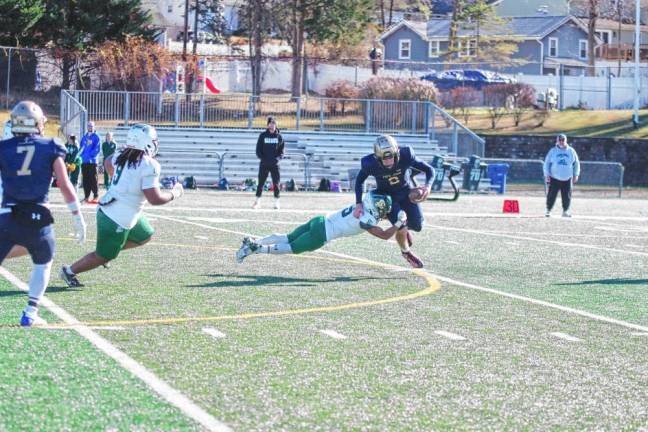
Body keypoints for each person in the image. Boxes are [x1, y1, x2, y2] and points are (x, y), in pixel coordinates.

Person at [60, 123, 184, 287]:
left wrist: (120, 183)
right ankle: (69, 271)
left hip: (119, 210)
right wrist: (175, 193)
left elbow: (108, 162)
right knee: (102, 256)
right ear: (146, 142)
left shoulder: (121, 154)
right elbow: (154, 199)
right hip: (116, 218)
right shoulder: (149, 164)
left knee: (145, 235)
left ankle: (110, 250)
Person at [0, 101, 86, 327]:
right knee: (43, 263)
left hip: (7, 215)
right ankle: (30, 311)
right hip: (39, 217)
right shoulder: (50, 146)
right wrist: (77, 217)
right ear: (38, 124)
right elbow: (65, 185)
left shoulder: (4, 147)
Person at [236, 191, 406, 262]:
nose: (385, 215)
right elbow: (384, 235)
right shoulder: (367, 218)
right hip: (323, 234)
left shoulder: (362, 204)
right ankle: (256, 248)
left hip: (320, 220)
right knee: (291, 247)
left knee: (287, 237)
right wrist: (399, 223)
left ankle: (255, 241)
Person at [353, 134, 434, 268]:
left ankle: (400, 224)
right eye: (384, 158)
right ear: (377, 157)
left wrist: (428, 186)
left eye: (391, 157)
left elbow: (429, 169)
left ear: (397, 152)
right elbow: (359, 181)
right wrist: (358, 203)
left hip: (406, 193)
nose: (389, 161)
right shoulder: (370, 163)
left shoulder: (406, 155)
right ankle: (406, 252)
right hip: (387, 198)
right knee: (400, 227)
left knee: (418, 226)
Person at [544, 133, 580, 218]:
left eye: (563, 140)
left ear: (566, 140)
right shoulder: (553, 151)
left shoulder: (571, 151)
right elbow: (546, 164)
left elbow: (576, 163)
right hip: (554, 178)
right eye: (559, 140)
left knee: (567, 196)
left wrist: (576, 174)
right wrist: (547, 174)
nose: (561, 141)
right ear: (557, 141)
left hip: (567, 178)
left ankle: (565, 211)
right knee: (551, 195)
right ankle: (548, 210)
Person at [253, 116, 284, 210]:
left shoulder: (279, 136)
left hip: (275, 165)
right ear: (268, 125)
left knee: (276, 184)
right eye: (271, 123)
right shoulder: (262, 136)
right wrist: (263, 159)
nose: (273, 125)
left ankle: (276, 202)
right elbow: (258, 150)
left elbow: (282, 151)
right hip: (264, 164)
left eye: (274, 123)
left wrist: (277, 159)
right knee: (261, 183)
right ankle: (257, 202)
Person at [79, 121, 101, 203]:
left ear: (94, 127)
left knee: (93, 179)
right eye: (89, 126)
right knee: (85, 179)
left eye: (91, 126)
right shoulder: (84, 137)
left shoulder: (96, 137)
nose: (90, 128)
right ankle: (86, 196)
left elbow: (97, 149)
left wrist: (90, 156)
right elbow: (81, 148)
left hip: (92, 162)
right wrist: (81, 157)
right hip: (84, 162)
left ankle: (96, 196)